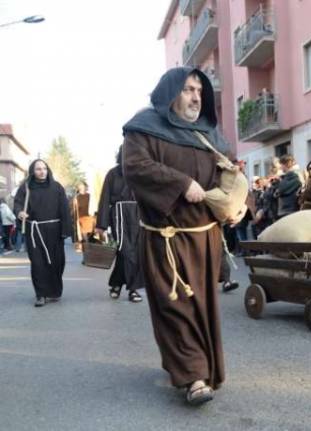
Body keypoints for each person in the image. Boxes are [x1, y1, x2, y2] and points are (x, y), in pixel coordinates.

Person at [122, 67, 245, 405]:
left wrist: (239, 205)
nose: (195, 97)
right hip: (165, 238)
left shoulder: (208, 133)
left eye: (199, 91)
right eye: (188, 89)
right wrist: (181, 184)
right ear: (170, 92)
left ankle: (195, 367)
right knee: (176, 307)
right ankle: (193, 377)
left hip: (205, 238)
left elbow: (232, 172)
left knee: (201, 308)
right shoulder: (143, 128)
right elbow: (134, 167)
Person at [13, 160, 71, 307]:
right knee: (38, 264)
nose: (42, 171)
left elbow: (64, 209)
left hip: (54, 231)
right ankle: (41, 294)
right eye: (38, 169)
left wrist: (66, 231)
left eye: (44, 168)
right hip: (34, 232)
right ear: (33, 171)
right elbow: (18, 203)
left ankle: (54, 290)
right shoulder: (26, 188)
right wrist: (20, 212)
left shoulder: (57, 187)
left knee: (57, 263)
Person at [95, 145, 144, 303]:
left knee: (134, 251)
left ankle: (116, 283)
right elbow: (104, 198)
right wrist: (101, 225)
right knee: (125, 250)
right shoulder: (113, 174)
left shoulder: (141, 173)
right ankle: (133, 290)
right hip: (119, 214)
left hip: (138, 214)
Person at [72, 182, 95, 252]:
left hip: (90, 217)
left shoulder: (90, 196)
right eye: (80, 187)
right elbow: (74, 209)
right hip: (81, 218)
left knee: (91, 234)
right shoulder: (77, 197)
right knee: (84, 233)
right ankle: (87, 247)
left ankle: (89, 247)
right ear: (78, 188)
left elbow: (94, 205)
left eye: (83, 186)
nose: (82, 188)